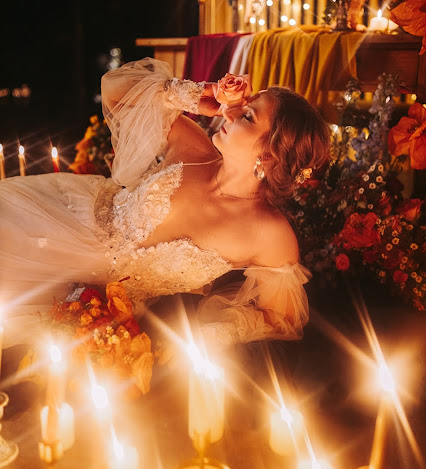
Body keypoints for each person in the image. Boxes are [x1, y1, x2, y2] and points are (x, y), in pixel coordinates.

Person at [0, 58, 330, 349]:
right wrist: (198, 94)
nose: (228, 113)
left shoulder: (269, 234)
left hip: (94, 304)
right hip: (55, 221)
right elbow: (114, 92)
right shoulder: (195, 149)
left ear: (269, 154)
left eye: (246, 115)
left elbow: (281, 318)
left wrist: (214, 335)